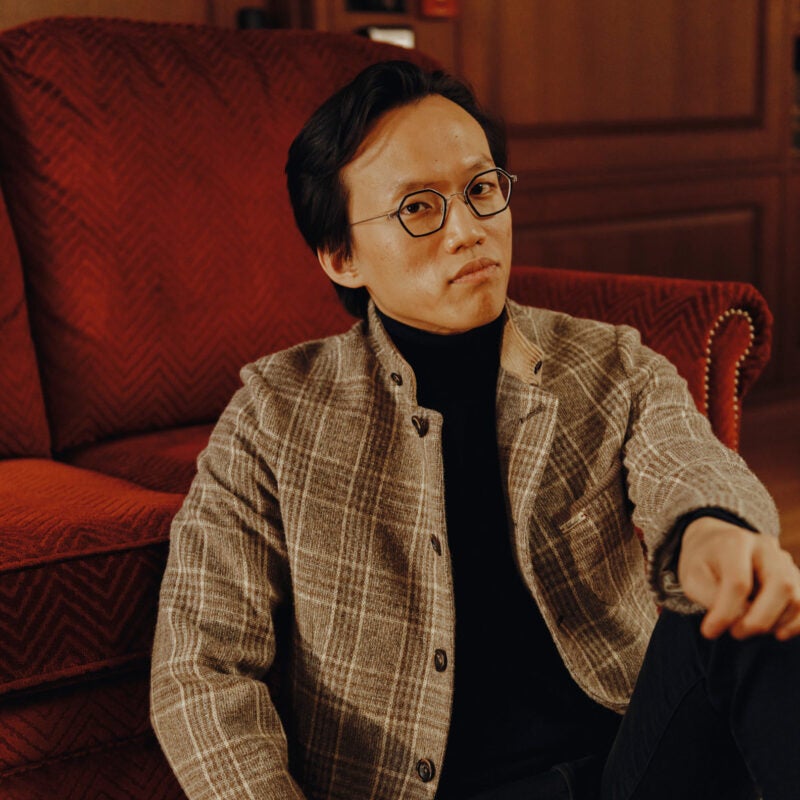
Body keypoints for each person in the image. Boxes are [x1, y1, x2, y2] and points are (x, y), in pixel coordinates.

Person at [150, 60, 800, 800]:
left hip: (629, 767)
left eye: (482, 190)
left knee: (757, 620)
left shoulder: (609, 364)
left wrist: (716, 534)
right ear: (342, 256)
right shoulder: (276, 414)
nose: (468, 231)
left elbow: (689, 470)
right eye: (419, 208)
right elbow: (200, 667)